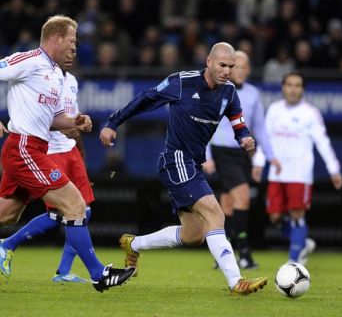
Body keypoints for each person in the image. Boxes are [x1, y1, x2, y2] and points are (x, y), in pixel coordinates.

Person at [0, 15, 135, 293]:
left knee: (5, 215)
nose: (75, 48)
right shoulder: (30, 60)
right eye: (72, 42)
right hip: (24, 147)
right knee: (75, 205)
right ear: (57, 38)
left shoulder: (57, 76)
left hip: (32, 148)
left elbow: (53, 119)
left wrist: (73, 122)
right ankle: (99, 274)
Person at [100, 42, 268, 295]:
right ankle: (236, 282)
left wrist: (244, 137)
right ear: (208, 62)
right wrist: (113, 122)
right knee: (216, 214)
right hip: (175, 159)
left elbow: (238, 122)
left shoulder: (230, 92)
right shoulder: (181, 82)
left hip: (193, 164)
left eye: (231, 67)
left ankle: (134, 244)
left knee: (194, 235)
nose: (227, 71)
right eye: (222, 65)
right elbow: (146, 99)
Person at [0, 50, 95, 283]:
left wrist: (77, 137)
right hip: (50, 151)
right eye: (69, 47)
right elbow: (42, 118)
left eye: (74, 49)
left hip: (70, 149)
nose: (72, 53)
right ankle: (10, 243)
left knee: (83, 210)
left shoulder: (70, 81)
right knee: (60, 212)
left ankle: (64, 272)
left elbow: (69, 117)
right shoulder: (40, 75)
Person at [253, 71, 342, 266]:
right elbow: (265, 139)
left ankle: (294, 261)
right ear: (283, 88)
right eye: (289, 85)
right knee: (275, 217)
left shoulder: (310, 113)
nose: (293, 89)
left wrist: (334, 169)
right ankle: (302, 242)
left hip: (299, 173)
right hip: (277, 173)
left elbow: (323, 142)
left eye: (297, 86)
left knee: (296, 213)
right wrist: (259, 163)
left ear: (302, 90)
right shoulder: (275, 110)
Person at [203, 51, 281, 269]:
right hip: (222, 151)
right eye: (236, 66)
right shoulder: (217, 91)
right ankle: (245, 253)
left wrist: (267, 158)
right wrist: (206, 156)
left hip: (242, 154)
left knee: (227, 205)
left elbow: (260, 129)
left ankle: (221, 254)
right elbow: (205, 125)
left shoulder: (254, 94)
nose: (240, 70)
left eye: (244, 66)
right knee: (243, 197)